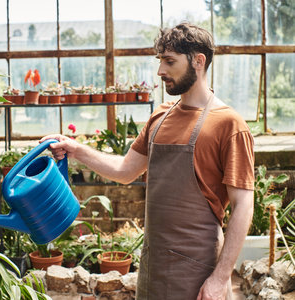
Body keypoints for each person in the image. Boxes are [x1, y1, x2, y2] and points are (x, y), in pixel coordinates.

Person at [40, 23, 254, 300]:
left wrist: (220, 277)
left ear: (198, 61)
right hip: (153, 268)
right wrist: (75, 149)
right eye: (160, 61)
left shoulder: (229, 124)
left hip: (199, 272)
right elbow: (125, 170)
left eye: (169, 61)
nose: (160, 71)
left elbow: (243, 206)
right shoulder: (160, 116)